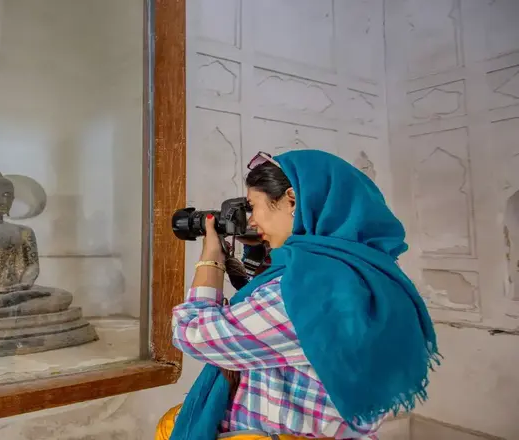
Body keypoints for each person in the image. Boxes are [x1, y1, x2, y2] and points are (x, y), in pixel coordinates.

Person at [156, 150, 440, 440]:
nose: (252, 222)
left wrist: (212, 257)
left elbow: (192, 332)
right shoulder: (369, 274)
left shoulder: (310, 292)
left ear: (291, 200)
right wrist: (261, 253)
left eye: (254, 206)